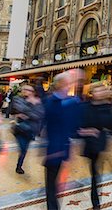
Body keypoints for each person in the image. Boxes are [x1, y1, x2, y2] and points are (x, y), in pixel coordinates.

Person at [78, 83, 112, 209]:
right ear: (92, 93)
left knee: (96, 172)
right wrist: (89, 131)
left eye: (102, 91)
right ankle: (95, 198)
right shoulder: (85, 107)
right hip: (90, 143)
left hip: (101, 144)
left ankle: (95, 199)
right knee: (94, 171)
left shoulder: (106, 107)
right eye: (97, 91)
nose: (100, 93)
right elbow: (77, 127)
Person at [43, 71, 80, 209]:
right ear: (60, 85)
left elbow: (73, 125)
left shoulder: (68, 101)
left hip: (63, 147)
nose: (69, 86)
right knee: (51, 183)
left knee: (56, 182)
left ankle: (53, 205)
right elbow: (49, 125)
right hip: (53, 149)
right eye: (67, 84)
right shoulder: (52, 102)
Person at [11, 84, 44, 174]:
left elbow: (39, 115)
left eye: (28, 90)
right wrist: (31, 109)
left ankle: (19, 165)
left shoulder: (38, 102)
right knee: (23, 149)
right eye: (24, 89)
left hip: (31, 130)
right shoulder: (18, 99)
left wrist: (27, 114)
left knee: (24, 149)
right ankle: (19, 166)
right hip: (20, 129)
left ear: (33, 92)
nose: (25, 91)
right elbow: (17, 109)